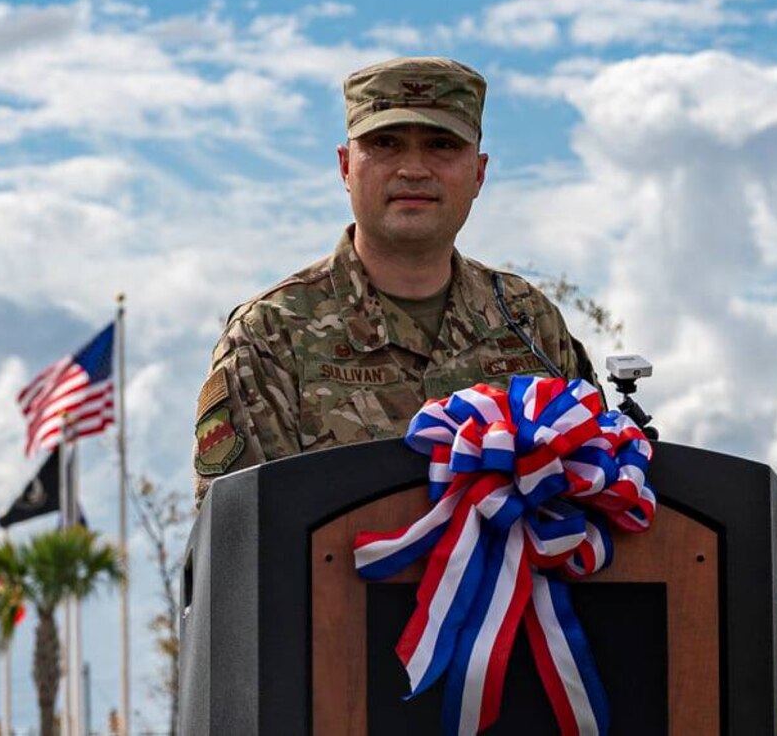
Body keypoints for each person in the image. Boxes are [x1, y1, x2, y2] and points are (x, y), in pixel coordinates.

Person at [192, 56, 597, 496]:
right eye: (385, 143)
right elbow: (242, 535)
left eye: (442, 145)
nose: (414, 169)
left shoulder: (528, 322)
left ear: (479, 173)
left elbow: (599, 485)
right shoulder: (271, 336)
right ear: (346, 166)